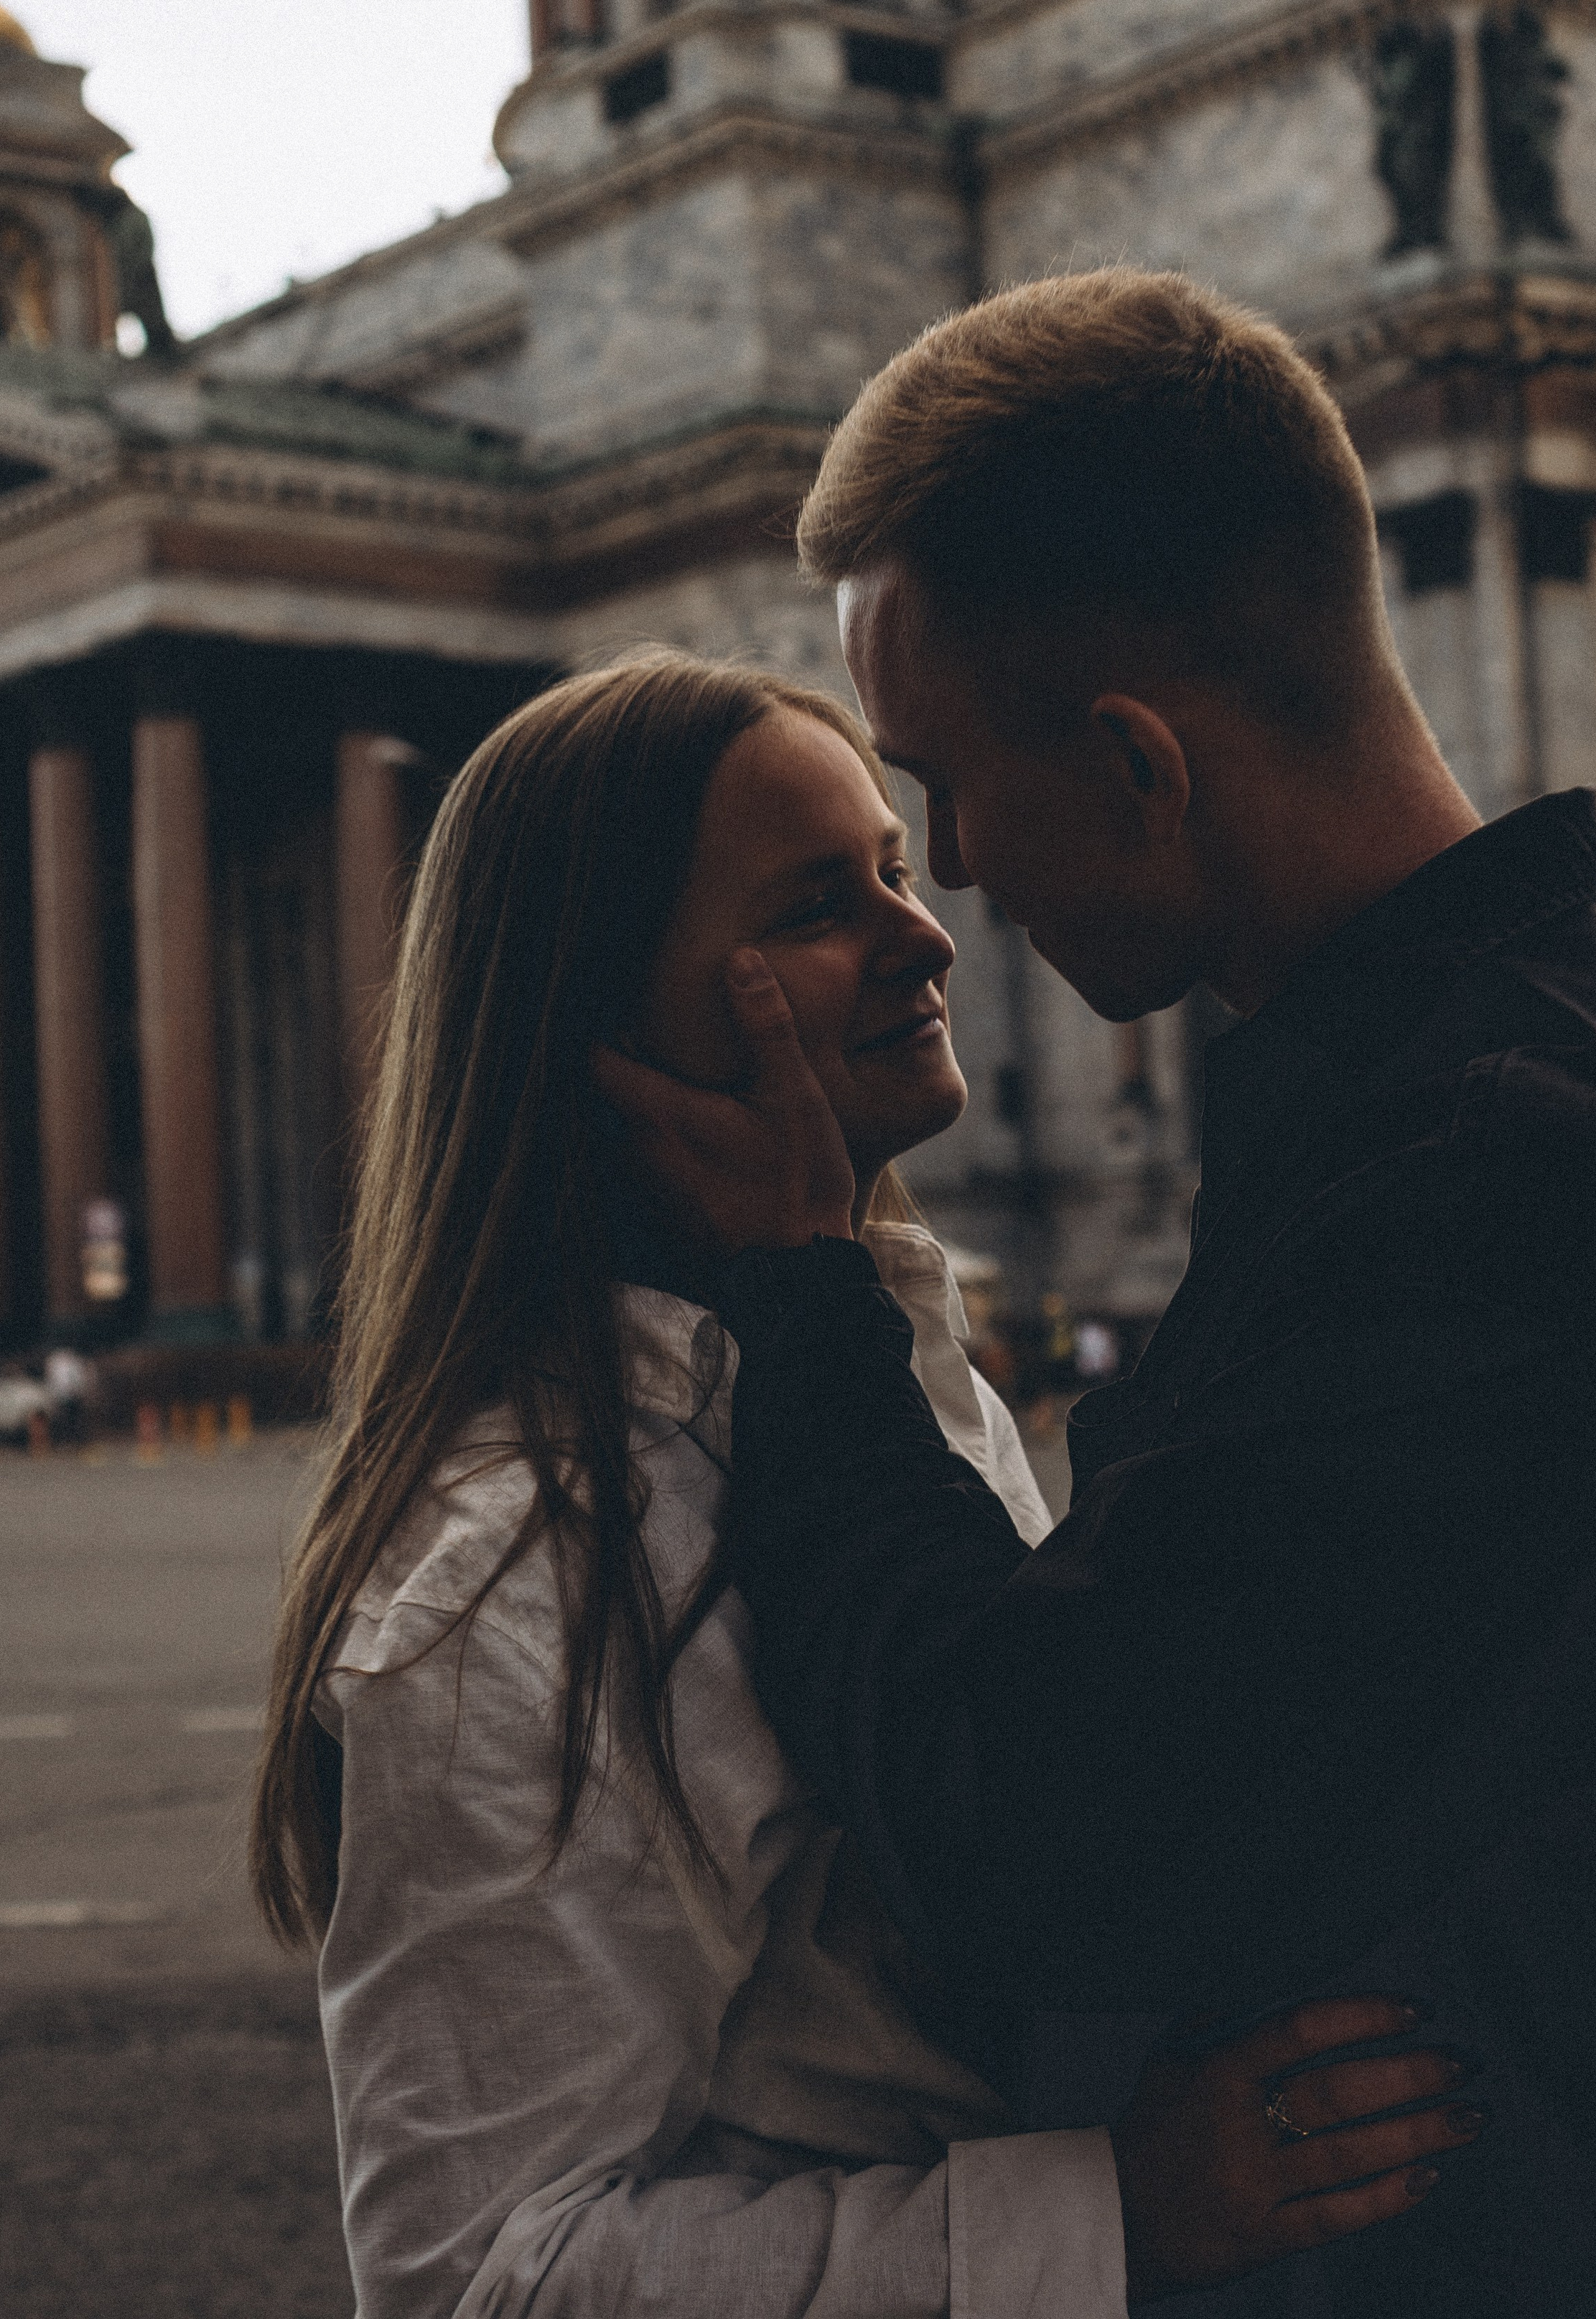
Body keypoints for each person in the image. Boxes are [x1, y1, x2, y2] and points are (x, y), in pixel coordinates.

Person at [599, 274, 1596, 2314]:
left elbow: (1028, 1831)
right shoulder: (1537, 1078)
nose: (951, 877)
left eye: (940, 787)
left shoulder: (1483, 1179)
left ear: (1144, 767)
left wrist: (801, 1295)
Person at [251, 652, 1477, 2319]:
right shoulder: (509, 1575)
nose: (925, 932)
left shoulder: (876, 1360)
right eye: (821, 902)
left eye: (894, 867)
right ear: (602, 1025)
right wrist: (1108, 2213)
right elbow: (481, 2276)